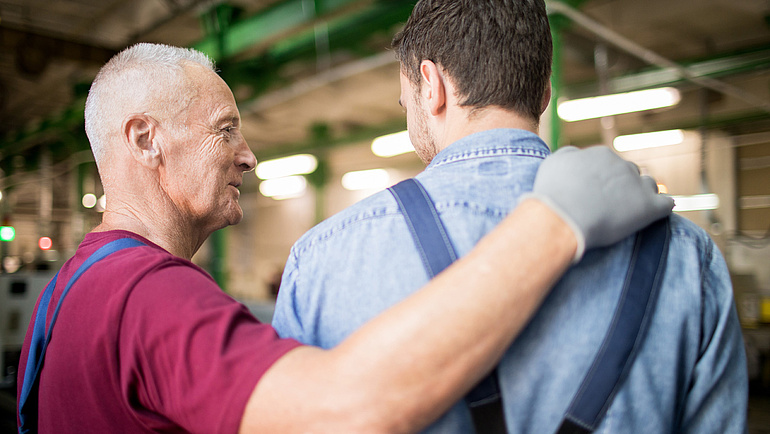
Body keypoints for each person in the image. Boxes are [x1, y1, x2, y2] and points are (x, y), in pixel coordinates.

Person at [16, 42, 670, 433]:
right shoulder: (150, 299)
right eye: (224, 130)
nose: (248, 156)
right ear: (144, 138)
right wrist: (552, 224)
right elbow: (343, 408)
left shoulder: (68, 291)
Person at [272, 0, 748, 432]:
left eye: (406, 101)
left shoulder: (322, 257)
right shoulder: (688, 254)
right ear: (544, 94)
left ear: (432, 86)